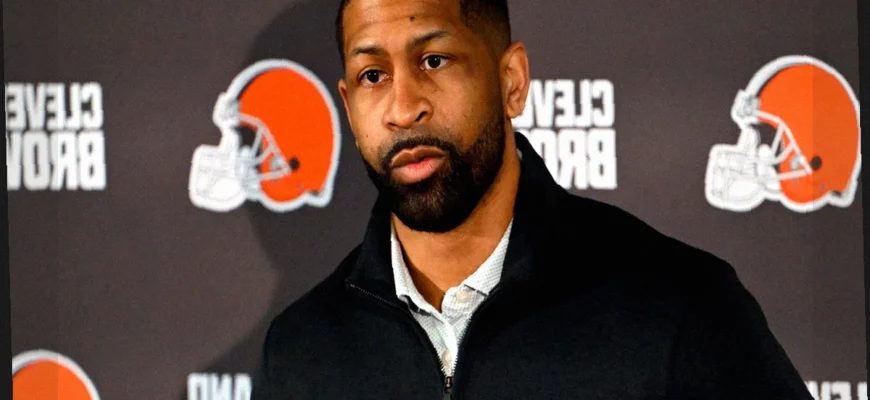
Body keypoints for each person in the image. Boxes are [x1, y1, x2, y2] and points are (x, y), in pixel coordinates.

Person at [251, 0, 813, 398]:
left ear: (512, 82)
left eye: (434, 60)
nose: (403, 108)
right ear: (349, 109)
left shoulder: (681, 306)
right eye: (373, 75)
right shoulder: (300, 352)